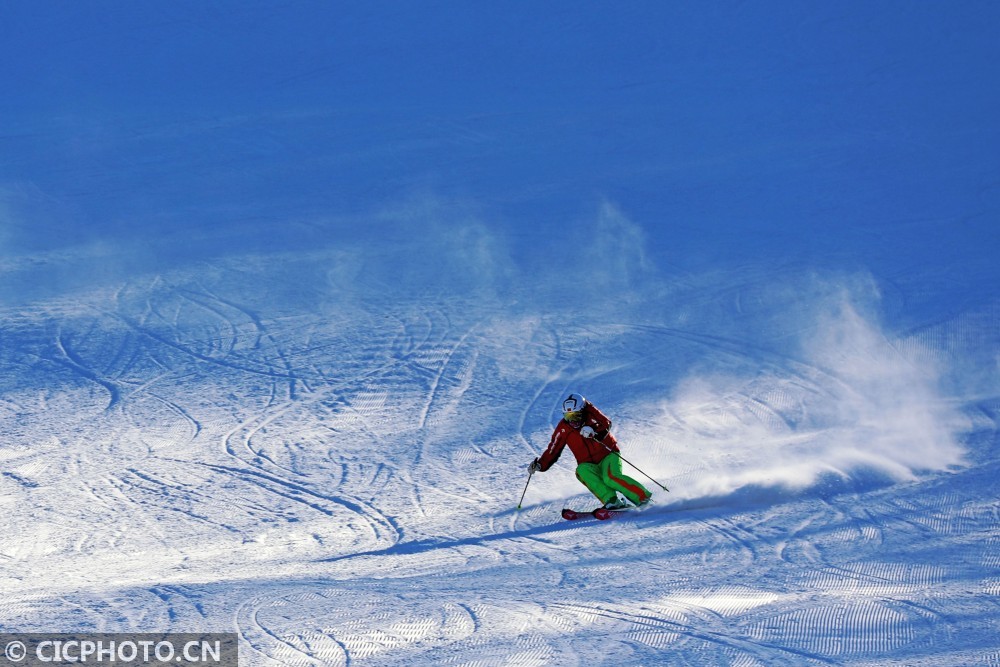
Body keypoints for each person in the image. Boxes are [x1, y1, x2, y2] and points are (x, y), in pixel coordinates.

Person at [529, 393, 652, 510]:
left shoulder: (591, 414)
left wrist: (595, 432)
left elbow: (606, 423)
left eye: (576, 416)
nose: (573, 421)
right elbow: (553, 449)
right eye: (568, 417)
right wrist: (540, 465)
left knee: (610, 477)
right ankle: (611, 501)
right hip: (588, 463)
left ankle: (643, 498)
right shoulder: (563, 428)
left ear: (583, 411)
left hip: (607, 455)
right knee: (581, 471)